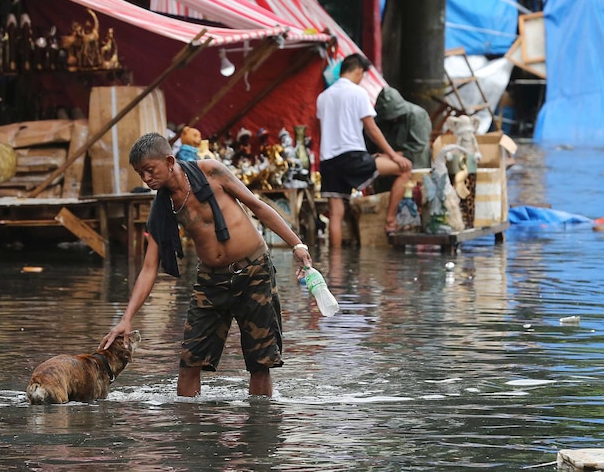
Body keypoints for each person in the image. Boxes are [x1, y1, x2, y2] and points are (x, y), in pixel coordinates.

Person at [99, 132, 312, 397]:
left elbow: (257, 206)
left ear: (169, 161)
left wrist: (297, 245)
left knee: (260, 363)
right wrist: (126, 318)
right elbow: (149, 267)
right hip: (211, 281)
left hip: (254, 272)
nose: (146, 179)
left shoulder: (211, 172)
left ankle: (262, 429)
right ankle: (189, 433)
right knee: (190, 360)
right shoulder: (163, 207)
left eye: (150, 171)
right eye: (141, 174)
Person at [316, 53, 412, 248]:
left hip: (328, 161)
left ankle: (335, 270)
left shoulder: (322, 97)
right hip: (352, 157)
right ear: (359, 71)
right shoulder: (358, 93)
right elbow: (371, 128)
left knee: (335, 213)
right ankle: (390, 221)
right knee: (405, 168)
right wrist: (393, 155)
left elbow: (322, 130)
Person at [373, 86, 432, 170]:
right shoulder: (380, 119)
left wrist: (389, 155)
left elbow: (417, 147)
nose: (391, 119)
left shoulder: (416, 115)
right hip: (389, 160)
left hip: (416, 163)